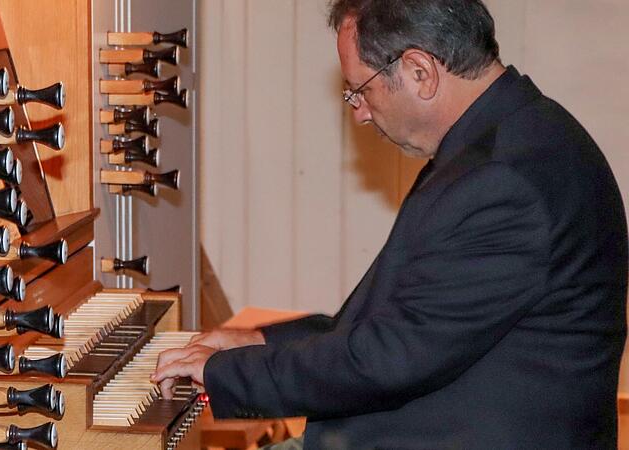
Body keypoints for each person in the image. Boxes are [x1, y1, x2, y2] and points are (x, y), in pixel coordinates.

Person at [152, 0, 629, 448]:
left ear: (420, 72)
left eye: (361, 90)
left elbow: (390, 358)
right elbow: (400, 321)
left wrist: (222, 373)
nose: (359, 113)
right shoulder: (510, 137)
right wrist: (257, 340)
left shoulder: (503, 180)